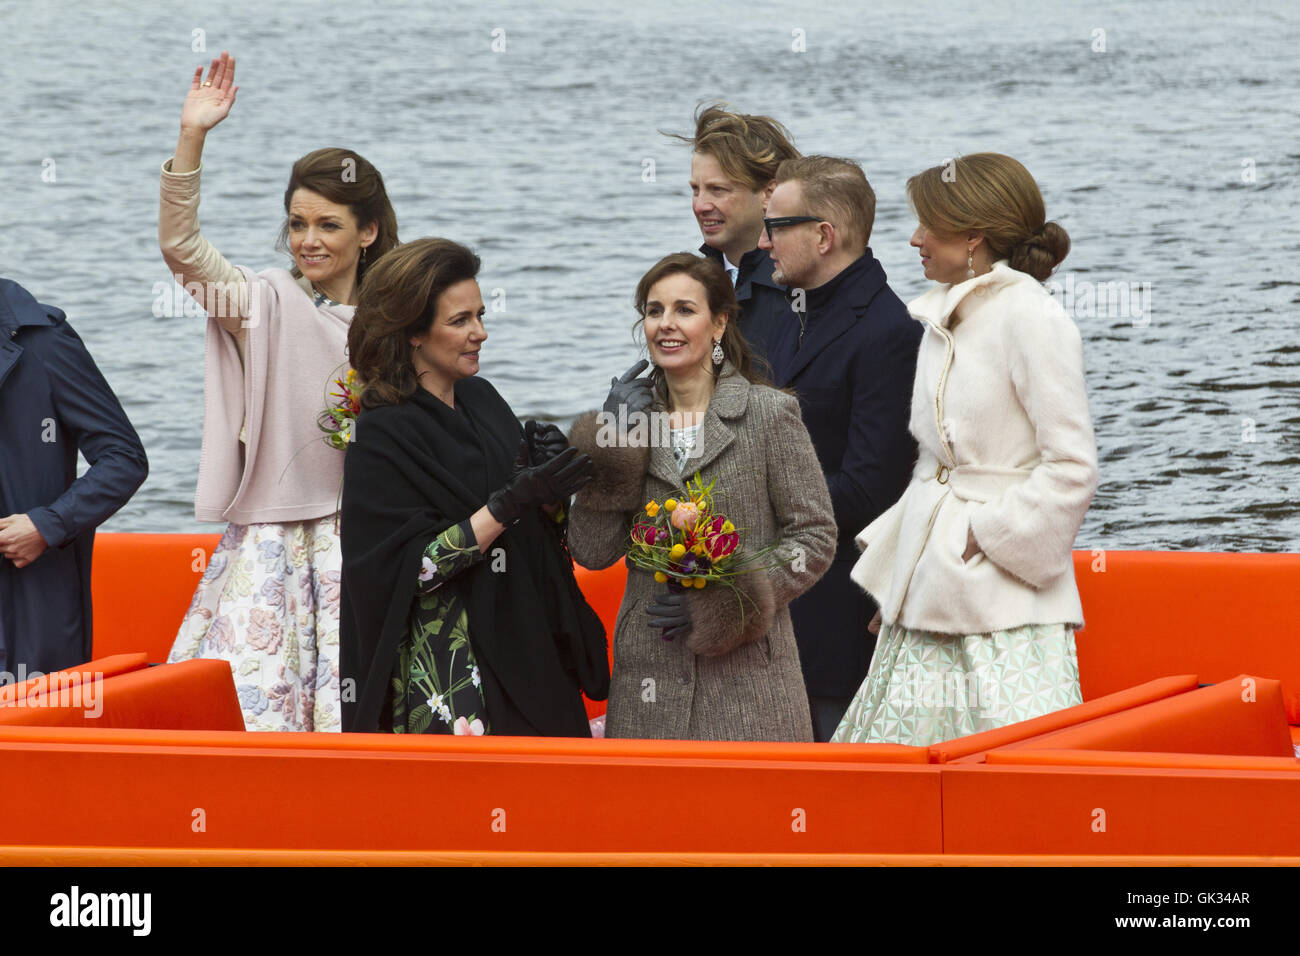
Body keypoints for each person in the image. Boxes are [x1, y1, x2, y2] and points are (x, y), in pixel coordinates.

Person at [160, 52, 399, 731]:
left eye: (327, 225)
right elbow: (181, 249)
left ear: (368, 232)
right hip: (273, 535)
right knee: (255, 704)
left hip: (370, 535)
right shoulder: (259, 303)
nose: (308, 241)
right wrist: (192, 138)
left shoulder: (401, 321)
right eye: (298, 224)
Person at [834, 153, 1099, 746]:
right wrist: (903, 577)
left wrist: (986, 537)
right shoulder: (944, 316)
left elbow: (1072, 467)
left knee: (1013, 774)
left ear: (974, 235)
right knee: (893, 772)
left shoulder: (1033, 318)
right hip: (930, 592)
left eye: (928, 224)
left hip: (1005, 604)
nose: (914, 238)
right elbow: (935, 468)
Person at [339, 238, 608, 736]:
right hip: (453, 672)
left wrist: (550, 493)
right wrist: (508, 504)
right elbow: (409, 569)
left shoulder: (482, 398)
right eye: (460, 321)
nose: (480, 333)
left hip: (527, 641)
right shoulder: (380, 432)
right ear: (414, 331)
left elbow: (534, 530)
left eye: (480, 315)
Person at [566, 252, 836, 741]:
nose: (665, 325)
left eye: (684, 310)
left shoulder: (770, 415)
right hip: (648, 678)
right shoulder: (630, 422)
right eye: (654, 311)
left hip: (750, 682)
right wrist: (611, 435)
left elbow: (814, 538)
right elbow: (592, 550)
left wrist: (730, 601)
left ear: (719, 323)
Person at [756, 156, 922, 741]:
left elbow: (870, 489)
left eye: (776, 226)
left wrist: (750, 505)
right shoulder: (786, 313)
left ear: (824, 236)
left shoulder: (890, 332)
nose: (763, 240)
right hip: (777, 606)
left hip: (839, 616)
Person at [0, 279, 148, 678]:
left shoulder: (44, 342)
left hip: (27, 592)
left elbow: (123, 458)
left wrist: (47, 524)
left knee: (29, 732)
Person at [671, 103, 801, 368]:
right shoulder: (693, 283)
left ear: (769, 193)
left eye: (718, 190)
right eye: (696, 190)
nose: (700, 205)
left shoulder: (801, 290)